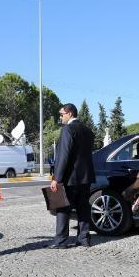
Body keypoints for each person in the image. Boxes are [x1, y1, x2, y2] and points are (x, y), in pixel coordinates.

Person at [48, 103, 96, 249]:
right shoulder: (88, 131)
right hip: (86, 177)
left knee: (62, 207)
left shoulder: (68, 129)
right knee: (83, 208)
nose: (60, 117)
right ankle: (84, 239)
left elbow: (63, 155)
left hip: (70, 178)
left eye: (61, 114)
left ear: (69, 113)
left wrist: (56, 178)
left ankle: (61, 241)